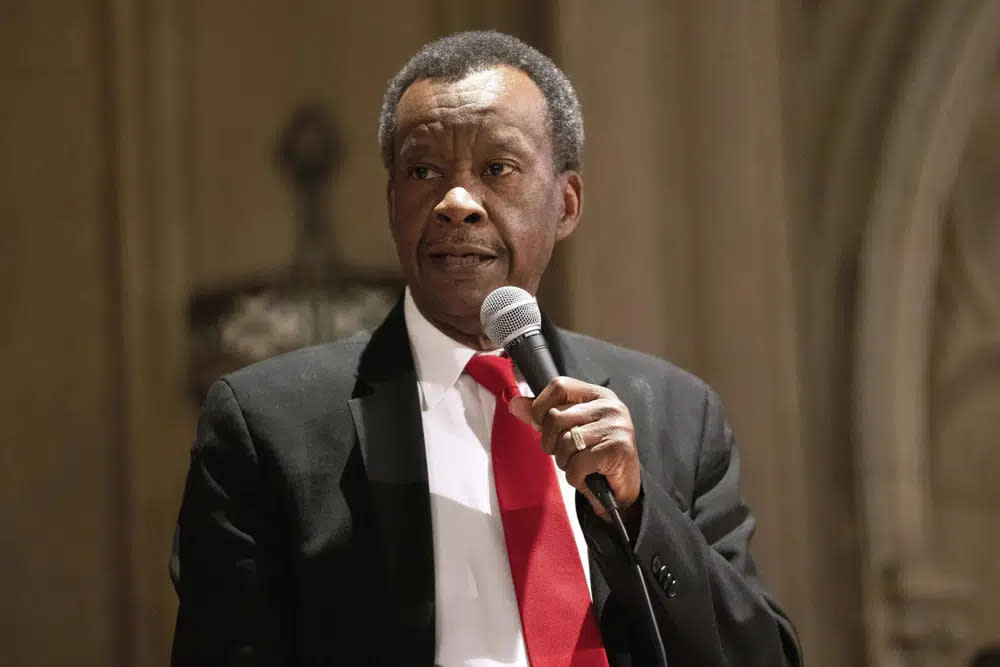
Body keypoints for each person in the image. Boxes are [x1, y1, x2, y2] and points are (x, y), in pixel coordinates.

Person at [170, 30, 802, 667]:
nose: (456, 203)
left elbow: (760, 656)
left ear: (567, 203)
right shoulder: (269, 425)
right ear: (393, 204)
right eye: (423, 172)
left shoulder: (677, 414)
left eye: (498, 169)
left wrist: (638, 512)